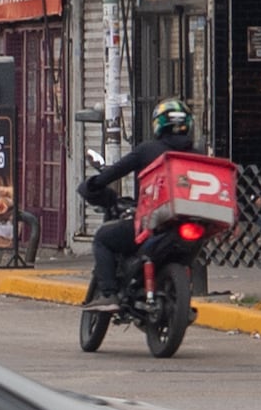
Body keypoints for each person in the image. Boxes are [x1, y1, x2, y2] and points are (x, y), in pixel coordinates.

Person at [76, 99, 199, 315]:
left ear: (159, 124)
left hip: (153, 223)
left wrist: (92, 185)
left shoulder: (148, 150)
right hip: (192, 223)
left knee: (103, 238)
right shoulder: (199, 156)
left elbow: (113, 173)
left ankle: (109, 294)